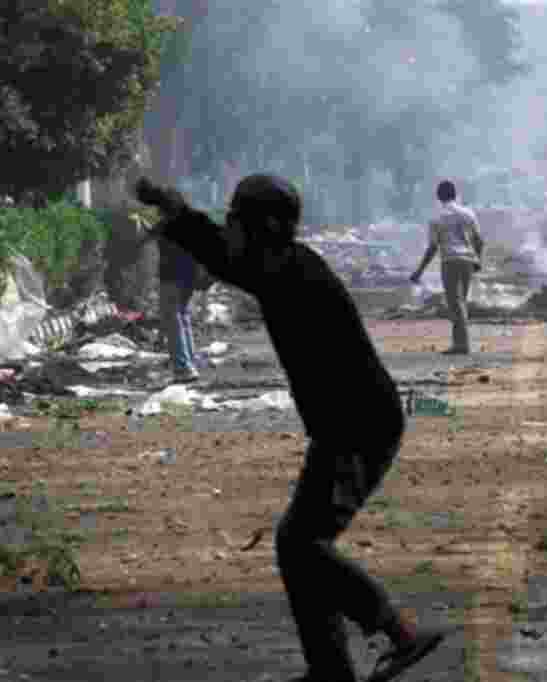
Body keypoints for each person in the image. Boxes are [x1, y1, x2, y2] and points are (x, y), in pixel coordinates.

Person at [133, 174, 446, 682]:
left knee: (301, 544)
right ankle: (330, 669)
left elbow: (229, 260)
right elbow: (229, 257)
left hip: (358, 426)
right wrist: (180, 212)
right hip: (347, 423)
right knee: (299, 545)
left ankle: (399, 632)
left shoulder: (289, 270)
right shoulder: (288, 263)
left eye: (236, 221)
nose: (230, 229)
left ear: (263, 227)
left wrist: (181, 215)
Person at [410, 180, 484, 355]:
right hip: (467, 261)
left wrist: (419, 271)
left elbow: (433, 247)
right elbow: (479, 242)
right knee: (461, 302)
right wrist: (478, 261)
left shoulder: (437, 217)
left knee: (455, 303)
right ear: (455, 194)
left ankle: (462, 345)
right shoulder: (468, 213)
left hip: (449, 261)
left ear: (438, 196)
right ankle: (459, 343)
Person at [141, 219, 201, 383]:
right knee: (182, 316)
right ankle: (190, 363)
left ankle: (183, 368)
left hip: (172, 277)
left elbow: (145, 238)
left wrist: (143, 225)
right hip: (190, 276)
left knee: (173, 320)